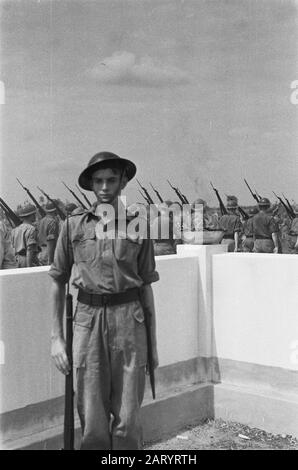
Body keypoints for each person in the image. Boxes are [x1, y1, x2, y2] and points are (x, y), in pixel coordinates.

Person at [49, 151, 159, 450]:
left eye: (111, 180)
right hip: (87, 321)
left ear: (123, 182)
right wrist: (56, 338)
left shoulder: (139, 225)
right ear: (91, 185)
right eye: (98, 181)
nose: (105, 187)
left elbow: (147, 286)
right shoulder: (73, 226)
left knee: (128, 419)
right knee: (92, 418)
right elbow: (58, 281)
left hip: (130, 321)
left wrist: (153, 344)